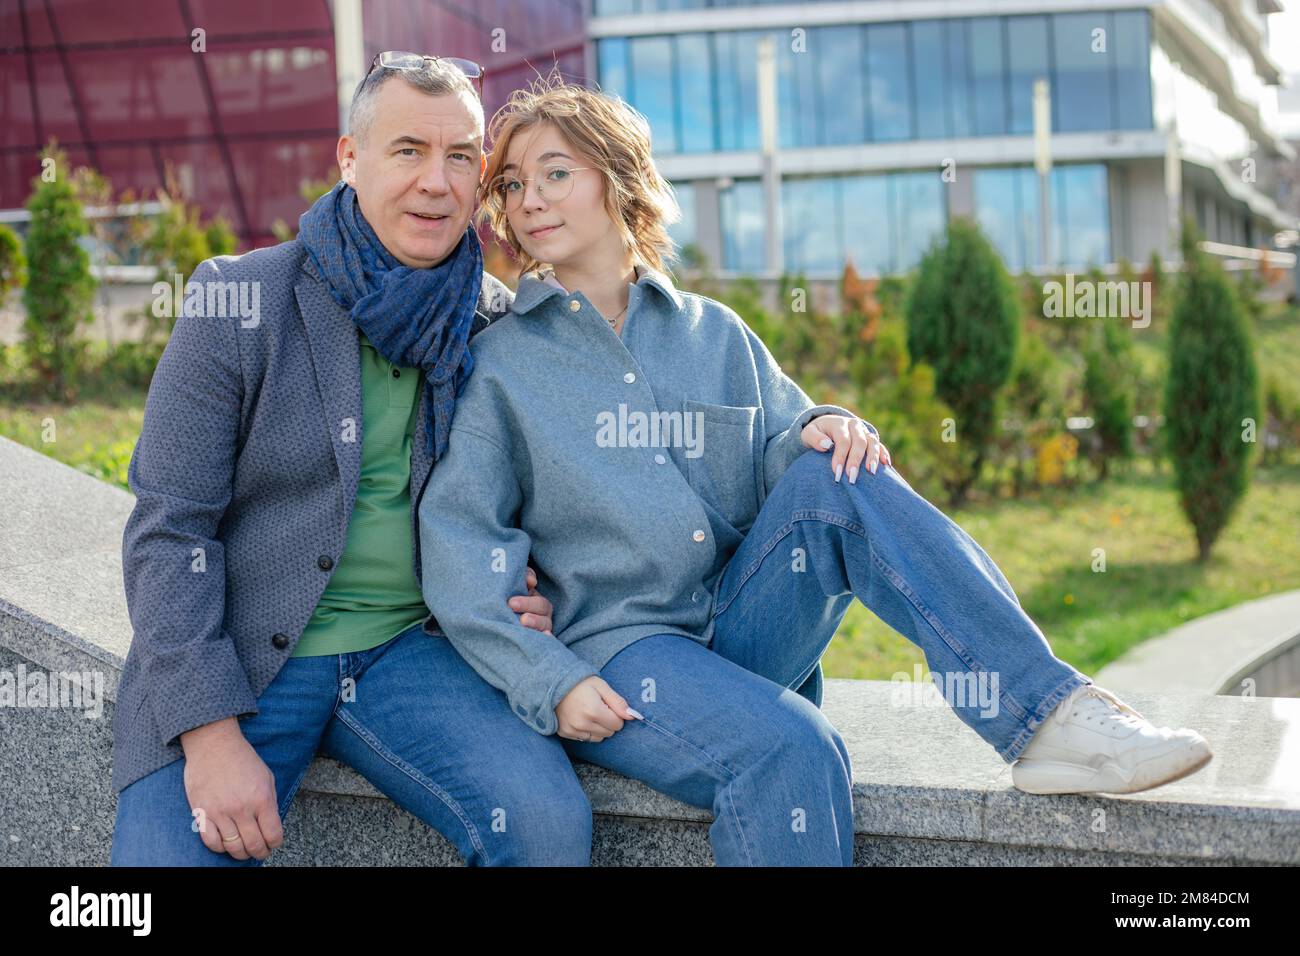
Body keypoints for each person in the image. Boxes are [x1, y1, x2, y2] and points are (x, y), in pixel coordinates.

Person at [415, 76, 1214, 866]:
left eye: (557, 173)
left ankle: (1048, 718)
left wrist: (824, 425)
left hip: (743, 620)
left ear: (620, 182)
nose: (529, 200)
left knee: (837, 466)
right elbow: (459, 546)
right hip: (626, 654)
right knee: (794, 749)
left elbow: (781, 455)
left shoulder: (714, 334)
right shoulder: (501, 366)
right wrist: (546, 680)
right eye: (513, 184)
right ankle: (1040, 716)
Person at [110, 54, 595, 866]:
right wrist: (211, 734)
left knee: (546, 827)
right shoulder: (240, 300)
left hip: (415, 651)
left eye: (461, 156)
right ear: (349, 158)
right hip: (241, 657)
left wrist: (536, 592)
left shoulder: (496, 325)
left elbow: (557, 504)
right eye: (408, 150)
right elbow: (169, 530)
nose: (436, 183)